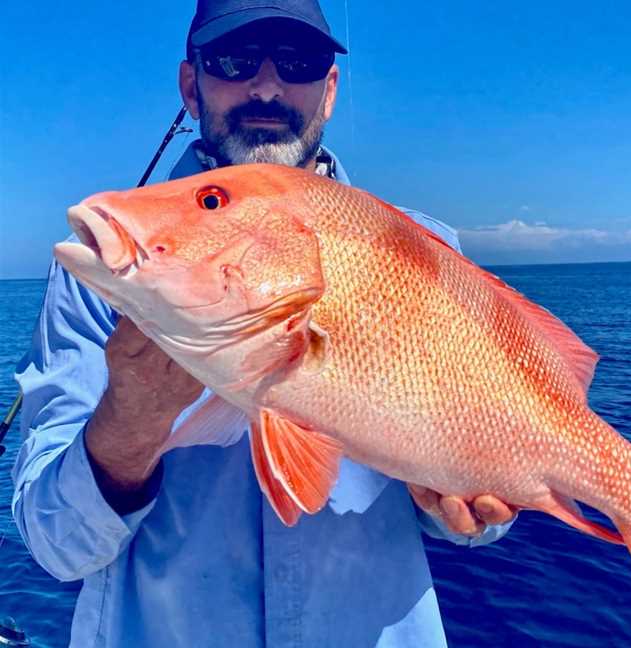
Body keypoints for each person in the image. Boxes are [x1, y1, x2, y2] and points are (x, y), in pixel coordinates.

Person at [11, 1, 517, 646]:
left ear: (328, 91)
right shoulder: (104, 278)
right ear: (191, 85)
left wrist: (466, 506)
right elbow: (55, 547)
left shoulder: (429, 252)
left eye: (299, 62)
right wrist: (129, 423)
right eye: (235, 60)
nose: (268, 86)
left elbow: (483, 508)